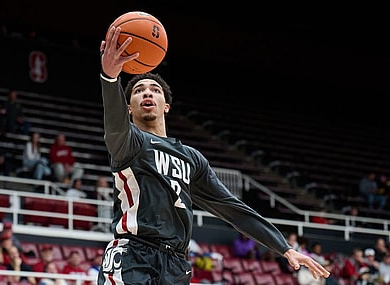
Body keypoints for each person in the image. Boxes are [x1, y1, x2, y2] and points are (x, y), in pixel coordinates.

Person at [96, 28, 330, 285]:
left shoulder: (192, 159)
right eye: (139, 90)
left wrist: (284, 247)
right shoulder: (130, 142)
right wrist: (110, 78)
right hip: (133, 255)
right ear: (128, 108)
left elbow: (233, 209)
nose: (147, 93)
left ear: (167, 106)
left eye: (154, 89)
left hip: (176, 264)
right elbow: (115, 125)